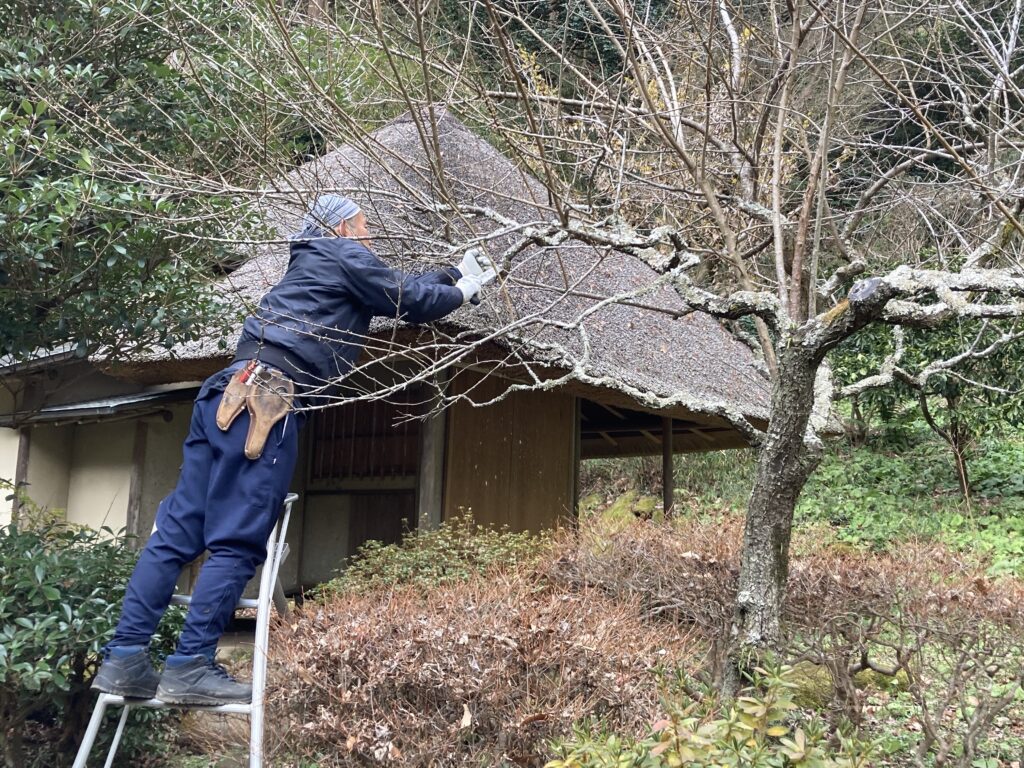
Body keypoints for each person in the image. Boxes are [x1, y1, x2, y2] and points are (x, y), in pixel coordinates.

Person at [92, 194, 494, 705]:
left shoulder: (309, 265)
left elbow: (397, 284)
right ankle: (191, 663)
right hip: (268, 401)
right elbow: (406, 298)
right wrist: (463, 290)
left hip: (225, 390)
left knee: (175, 534)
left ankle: (124, 658)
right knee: (237, 542)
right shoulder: (342, 252)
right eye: (365, 231)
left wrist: (448, 272)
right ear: (342, 228)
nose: (368, 242)